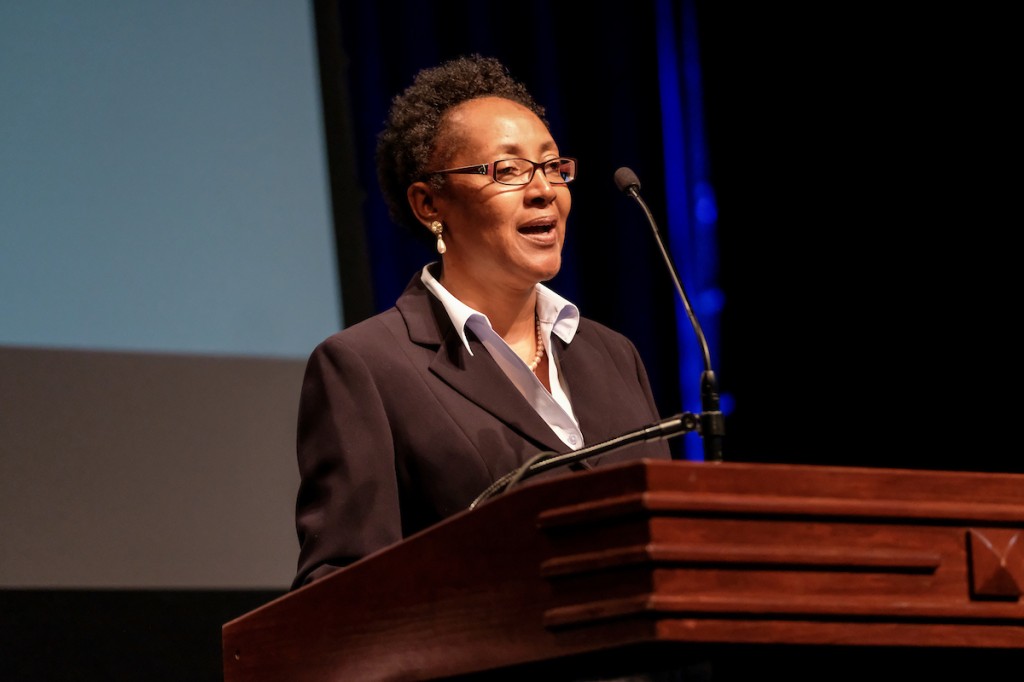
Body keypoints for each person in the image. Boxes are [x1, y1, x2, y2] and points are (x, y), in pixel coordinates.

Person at [291, 54, 673, 591]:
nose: (544, 189)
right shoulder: (367, 367)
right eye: (509, 170)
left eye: (553, 166)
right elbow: (339, 586)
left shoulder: (612, 353)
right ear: (429, 204)